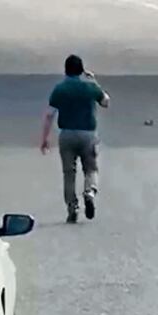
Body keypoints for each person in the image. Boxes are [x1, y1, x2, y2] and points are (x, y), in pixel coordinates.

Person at [40, 55, 110, 223]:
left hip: (67, 135)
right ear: (81, 70)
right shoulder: (90, 87)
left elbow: (49, 115)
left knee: (69, 174)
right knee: (91, 168)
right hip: (88, 134)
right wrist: (95, 82)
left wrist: (45, 138)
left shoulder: (60, 89)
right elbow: (106, 102)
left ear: (65, 70)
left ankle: (73, 207)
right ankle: (90, 192)